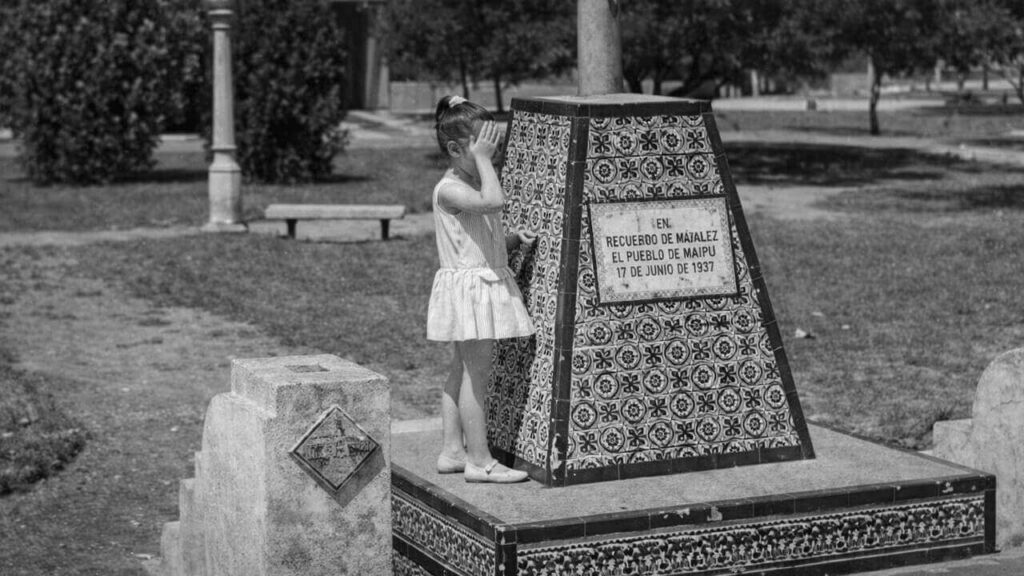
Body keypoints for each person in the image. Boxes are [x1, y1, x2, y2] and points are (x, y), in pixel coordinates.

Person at [427, 95, 535, 483]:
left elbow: (473, 240)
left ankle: (452, 451)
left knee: (461, 369)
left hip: (475, 285)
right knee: (477, 375)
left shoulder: (467, 183)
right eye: (483, 146)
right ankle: (479, 460)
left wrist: (510, 241)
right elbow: (493, 201)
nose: (491, 152)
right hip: (473, 292)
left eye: (494, 145)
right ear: (456, 149)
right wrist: (486, 162)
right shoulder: (450, 188)